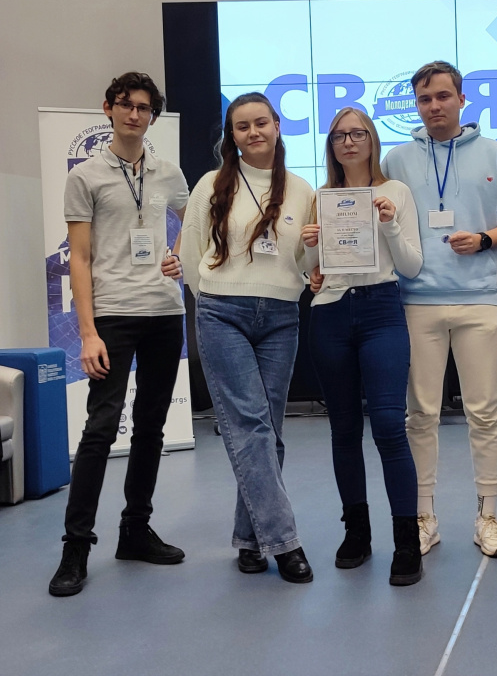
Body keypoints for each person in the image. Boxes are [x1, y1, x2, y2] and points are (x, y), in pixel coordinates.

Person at [382, 61, 497, 558]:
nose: (434, 106)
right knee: (420, 415)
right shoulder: (397, 159)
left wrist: (487, 238)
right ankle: (424, 517)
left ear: (462, 100)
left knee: (485, 414)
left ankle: (487, 518)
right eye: (424, 99)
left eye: (443, 96)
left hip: (480, 301)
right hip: (416, 303)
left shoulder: (495, 153)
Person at [49, 72, 189, 597]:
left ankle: (135, 531)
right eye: (126, 105)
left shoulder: (168, 172)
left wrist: (181, 257)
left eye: (144, 107)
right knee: (101, 429)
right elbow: (80, 260)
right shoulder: (86, 176)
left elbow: (197, 222)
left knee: (151, 426)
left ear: (153, 115)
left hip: (164, 313)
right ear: (108, 108)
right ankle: (75, 547)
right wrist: (87, 333)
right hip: (112, 316)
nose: (134, 114)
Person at [180, 92, 314, 584]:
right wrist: (213, 298)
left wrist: (314, 255)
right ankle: (285, 541)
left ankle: (249, 538)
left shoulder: (302, 190)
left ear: (277, 125)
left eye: (261, 123)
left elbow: (303, 262)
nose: (253, 132)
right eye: (242, 126)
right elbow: (191, 254)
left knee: (266, 432)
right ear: (231, 136)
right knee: (251, 427)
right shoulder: (211, 184)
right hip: (223, 313)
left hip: (281, 315)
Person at [302, 107, 423, 586]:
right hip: (331, 312)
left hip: (380, 310)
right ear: (331, 146)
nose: (348, 142)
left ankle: (407, 541)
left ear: (372, 139)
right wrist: (310, 246)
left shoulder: (396, 193)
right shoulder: (321, 198)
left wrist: (389, 224)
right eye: (339, 136)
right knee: (344, 428)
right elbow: (310, 271)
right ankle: (357, 532)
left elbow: (411, 266)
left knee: (390, 426)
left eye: (357, 134)